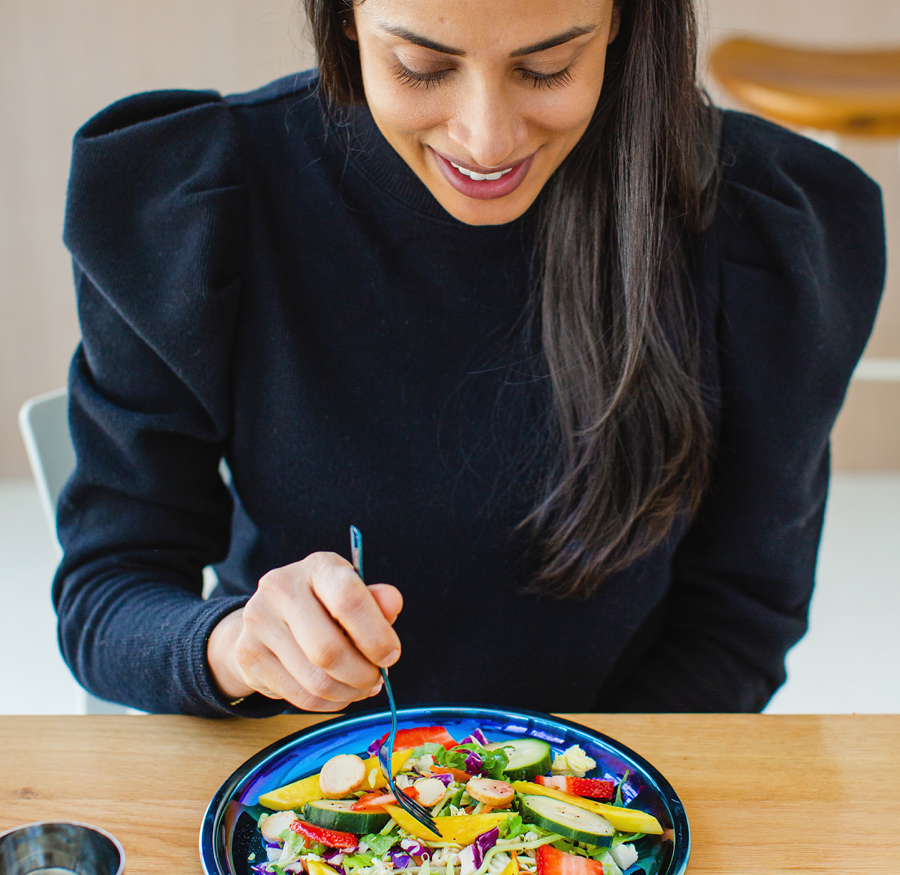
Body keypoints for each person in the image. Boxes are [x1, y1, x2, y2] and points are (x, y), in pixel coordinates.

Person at [54, 0, 884, 718]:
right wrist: (233, 644)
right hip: (298, 790)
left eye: (548, 67)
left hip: (606, 792)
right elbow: (108, 592)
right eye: (420, 66)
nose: (485, 138)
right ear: (345, 18)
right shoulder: (204, 201)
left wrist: (562, 800)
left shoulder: (754, 226)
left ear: (623, 21)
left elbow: (741, 614)